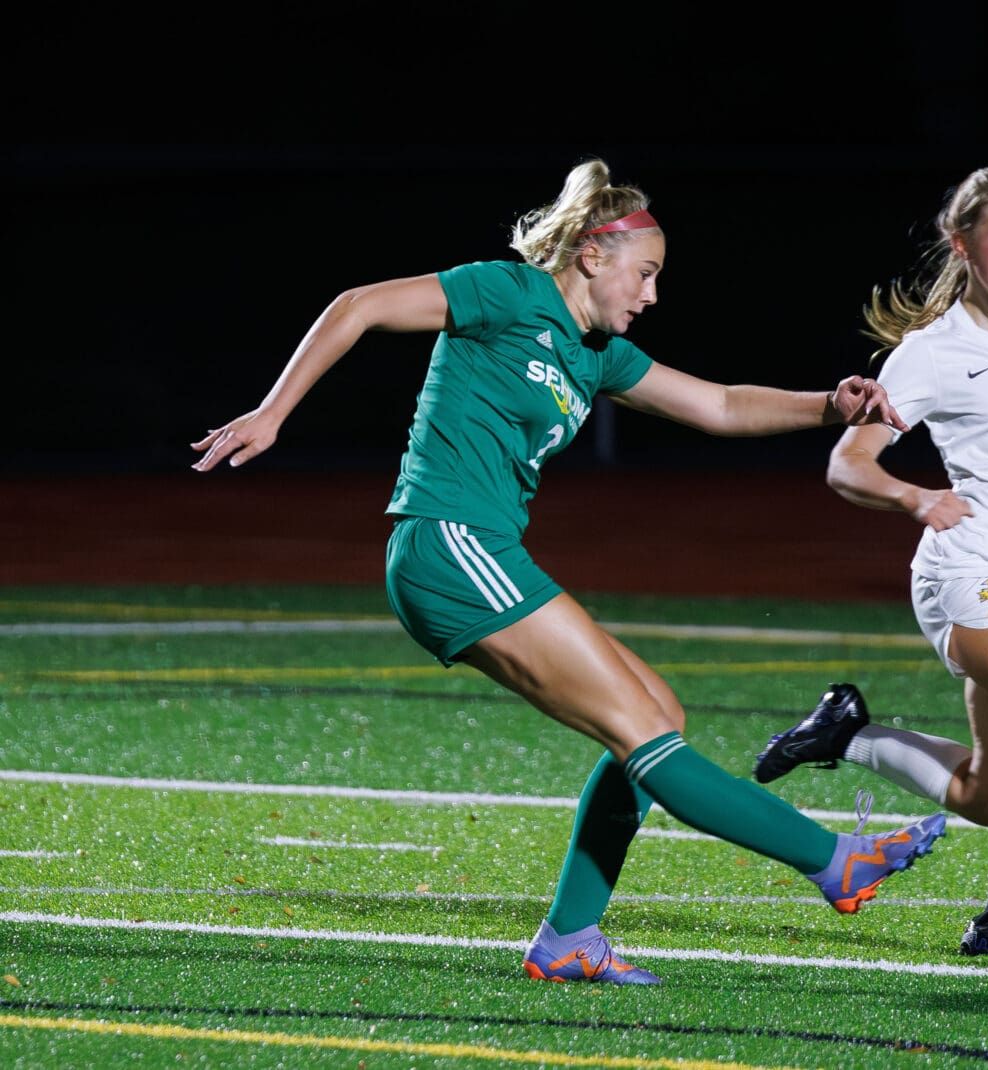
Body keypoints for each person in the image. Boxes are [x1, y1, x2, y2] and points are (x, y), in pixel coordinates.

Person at [191, 157, 946, 985]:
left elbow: (720, 404)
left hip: (483, 551)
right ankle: (833, 861)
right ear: (594, 255)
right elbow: (359, 305)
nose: (653, 294)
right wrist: (273, 411)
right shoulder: (507, 293)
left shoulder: (595, 356)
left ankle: (570, 940)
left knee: (659, 709)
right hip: (445, 543)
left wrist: (829, 406)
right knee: (643, 731)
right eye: (647, 273)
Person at [754, 164, 988, 960]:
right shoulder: (932, 353)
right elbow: (847, 464)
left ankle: (847, 737)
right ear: (962, 242)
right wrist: (914, 498)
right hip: (967, 569)